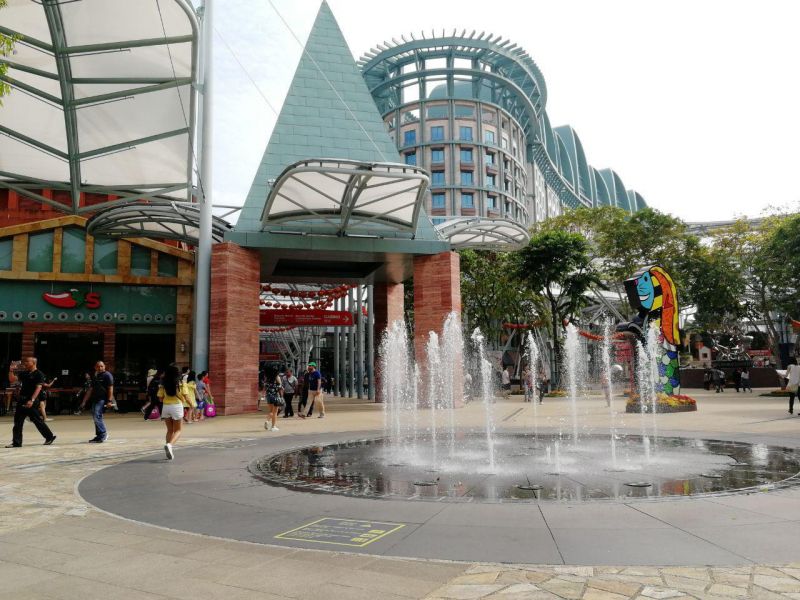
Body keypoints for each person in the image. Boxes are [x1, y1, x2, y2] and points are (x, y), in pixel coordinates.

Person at [5, 357, 56, 447]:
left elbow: (38, 388)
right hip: (22, 400)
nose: (25, 363)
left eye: (27, 361)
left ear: (34, 363)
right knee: (18, 422)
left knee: (37, 420)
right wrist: (11, 370)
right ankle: (16, 442)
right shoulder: (24, 373)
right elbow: (12, 379)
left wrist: (32, 400)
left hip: (31, 400)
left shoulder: (39, 374)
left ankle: (49, 437)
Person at [158, 364, 188, 459]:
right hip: (177, 406)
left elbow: (160, 398)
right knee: (178, 430)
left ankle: (168, 448)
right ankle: (170, 445)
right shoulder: (181, 383)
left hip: (166, 407)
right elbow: (186, 396)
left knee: (169, 430)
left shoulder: (163, 383)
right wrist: (191, 405)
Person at [83, 361, 114, 443]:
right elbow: (90, 389)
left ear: (104, 366)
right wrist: (84, 401)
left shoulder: (107, 375)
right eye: (98, 366)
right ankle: (99, 435)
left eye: (101, 366)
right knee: (95, 417)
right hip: (95, 399)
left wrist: (109, 400)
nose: (100, 368)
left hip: (102, 399)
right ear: (95, 367)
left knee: (97, 416)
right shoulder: (95, 376)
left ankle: (103, 434)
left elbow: (110, 388)